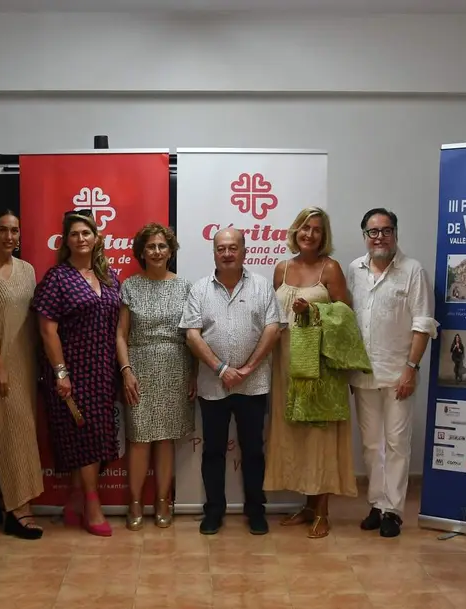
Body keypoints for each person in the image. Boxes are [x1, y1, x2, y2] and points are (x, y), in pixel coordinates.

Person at [180, 228, 281, 535]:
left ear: (244, 251)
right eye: (221, 248)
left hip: (253, 384)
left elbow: (273, 329)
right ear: (214, 253)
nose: (227, 253)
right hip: (214, 386)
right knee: (213, 452)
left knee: (252, 451)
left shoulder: (263, 287)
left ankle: (256, 511)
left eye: (233, 248)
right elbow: (192, 334)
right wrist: (221, 368)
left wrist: (248, 368)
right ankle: (213, 511)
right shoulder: (199, 290)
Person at [347, 208, 437, 538]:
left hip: (399, 373)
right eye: (373, 231)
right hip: (363, 373)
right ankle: (377, 503)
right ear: (365, 236)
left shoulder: (413, 271)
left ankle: (393, 511)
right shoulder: (354, 270)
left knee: (397, 442)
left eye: (386, 230)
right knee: (371, 444)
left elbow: (423, 323)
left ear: (396, 233)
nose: (379, 237)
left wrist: (411, 370)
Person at [265, 207, 355, 538]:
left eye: (317, 229)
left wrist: (314, 309)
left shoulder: (330, 268)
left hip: (319, 366)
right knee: (296, 432)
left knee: (319, 434)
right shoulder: (281, 268)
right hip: (286, 364)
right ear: (295, 231)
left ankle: (323, 511)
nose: (310, 234)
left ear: (323, 235)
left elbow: (346, 315)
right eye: (305, 228)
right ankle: (306, 504)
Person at [31, 211, 121, 537]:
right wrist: (60, 373)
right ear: (65, 241)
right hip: (71, 371)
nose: (81, 238)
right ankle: (92, 507)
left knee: (99, 436)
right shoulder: (57, 277)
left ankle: (74, 500)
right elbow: (47, 330)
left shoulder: (109, 277)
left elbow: (118, 327)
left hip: (103, 371)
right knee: (84, 437)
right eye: (74, 234)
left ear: (96, 238)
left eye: (87, 233)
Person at [116, 223, 195, 530]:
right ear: (142, 252)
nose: (157, 251)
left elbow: (192, 335)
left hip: (176, 365)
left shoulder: (185, 286)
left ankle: (163, 499)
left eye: (162, 246)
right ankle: (135, 501)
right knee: (138, 439)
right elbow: (121, 335)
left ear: (170, 250)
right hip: (139, 368)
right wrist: (126, 371)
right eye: (151, 246)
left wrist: (192, 374)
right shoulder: (130, 286)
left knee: (165, 440)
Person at [0, 210, 45, 540]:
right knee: (8, 432)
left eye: (15, 230)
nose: (9, 236)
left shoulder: (28, 270)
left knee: (21, 431)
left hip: (26, 364)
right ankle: (19, 510)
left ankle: (3, 500)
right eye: (3, 229)